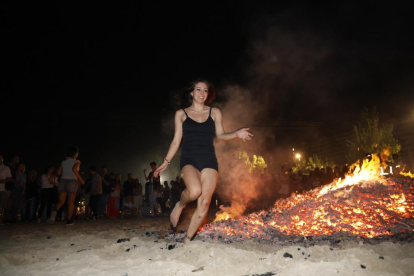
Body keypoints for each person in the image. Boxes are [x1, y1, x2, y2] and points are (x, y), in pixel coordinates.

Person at [154, 78, 253, 243]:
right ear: (192, 92)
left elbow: (220, 136)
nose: (202, 93)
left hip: (208, 159)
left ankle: (187, 240)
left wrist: (236, 133)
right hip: (189, 159)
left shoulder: (215, 112)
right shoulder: (181, 114)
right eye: (198, 89)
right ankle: (180, 205)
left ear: (208, 94)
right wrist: (166, 161)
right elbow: (176, 140)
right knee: (194, 191)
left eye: (205, 90)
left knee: (205, 202)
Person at [47, 146, 85, 225]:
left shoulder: (63, 162)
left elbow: (58, 172)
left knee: (61, 201)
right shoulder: (77, 161)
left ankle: (54, 213)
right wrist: (81, 180)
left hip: (63, 181)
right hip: (72, 181)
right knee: (70, 202)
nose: (78, 154)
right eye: (77, 152)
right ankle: (69, 220)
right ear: (75, 154)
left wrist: (65, 173)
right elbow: (74, 169)